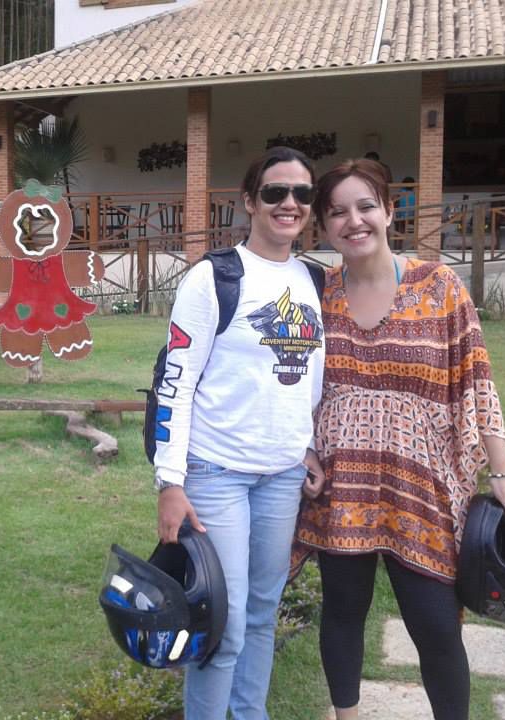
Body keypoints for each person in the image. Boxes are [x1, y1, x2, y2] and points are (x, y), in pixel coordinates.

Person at [293, 158, 505, 720]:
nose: (354, 221)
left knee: (436, 627)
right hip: (341, 488)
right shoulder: (316, 294)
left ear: (390, 211)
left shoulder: (439, 286)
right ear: (324, 227)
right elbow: (289, 382)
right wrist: (302, 448)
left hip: (421, 487)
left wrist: (502, 471)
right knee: (343, 613)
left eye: (365, 206)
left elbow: (477, 380)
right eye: (337, 212)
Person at [155, 145, 326, 720]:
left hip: (282, 476)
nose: (289, 203)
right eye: (275, 192)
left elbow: (312, 380)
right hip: (215, 473)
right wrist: (169, 482)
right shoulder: (214, 277)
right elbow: (175, 382)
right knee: (221, 624)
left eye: (302, 193)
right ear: (250, 201)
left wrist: (307, 447)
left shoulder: (315, 280)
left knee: (261, 613)